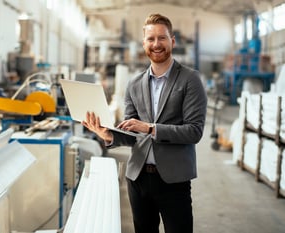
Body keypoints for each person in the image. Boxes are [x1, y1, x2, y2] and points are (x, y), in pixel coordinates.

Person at [82, 13, 207, 233]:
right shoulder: (134, 84)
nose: (156, 44)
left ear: (172, 41)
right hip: (138, 179)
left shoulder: (190, 79)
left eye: (162, 38)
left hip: (174, 180)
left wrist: (151, 128)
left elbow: (194, 131)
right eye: (151, 39)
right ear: (144, 44)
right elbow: (132, 134)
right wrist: (107, 134)